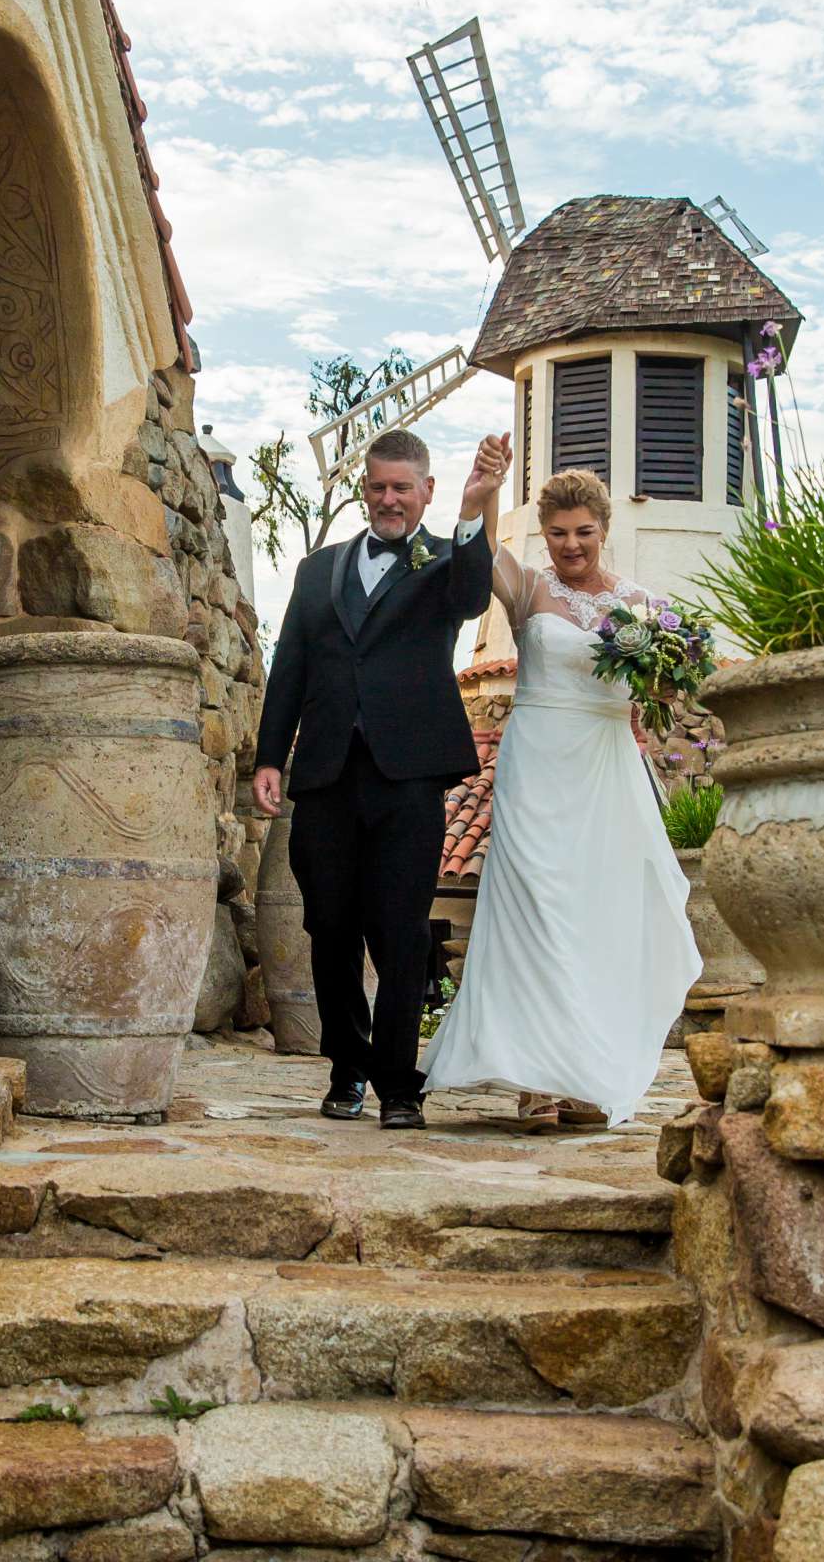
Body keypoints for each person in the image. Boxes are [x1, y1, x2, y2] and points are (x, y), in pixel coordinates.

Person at [423, 467, 701, 1129]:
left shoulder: (641, 606)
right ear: (543, 534)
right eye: (556, 533)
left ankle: (583, 1075)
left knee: (596, 916)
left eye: (583, 532)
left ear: (604, 530)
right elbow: (482, 547)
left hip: (606, 770)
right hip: (537, 766)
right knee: (536, 906)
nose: (570, 545)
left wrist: (664, 685)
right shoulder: (528, 590)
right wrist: (483, 491)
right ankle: (534, 1078)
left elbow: (667, 690)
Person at [253, 426, 509, 1129]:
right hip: (328, 774)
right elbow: (292, 667)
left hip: (408, 777)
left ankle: (399, 1086)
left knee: (399, 934)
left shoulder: (443, 564)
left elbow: (471, 597)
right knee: (329, 927)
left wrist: (474, 506)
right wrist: (271, 756)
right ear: (363, 490)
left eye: (402, 487)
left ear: (425, 491)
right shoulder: (318, 569)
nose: (389, 499)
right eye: (378, 487)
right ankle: (348, 1069)